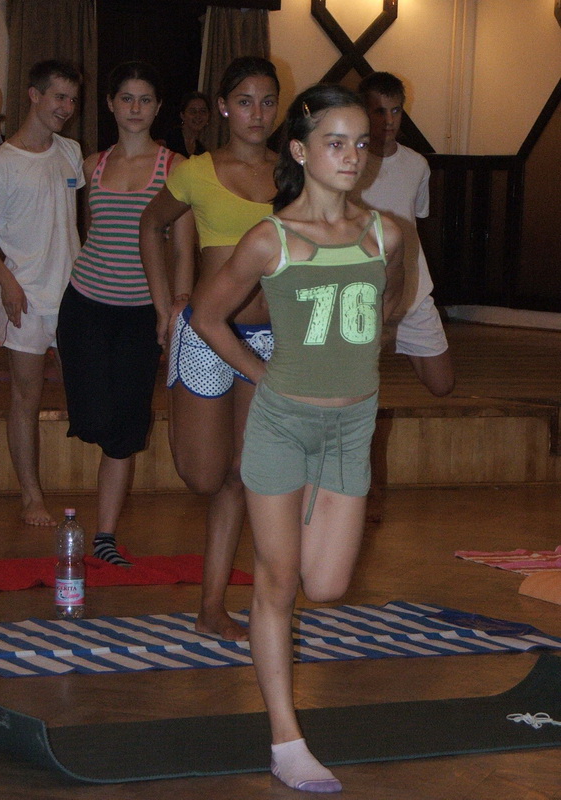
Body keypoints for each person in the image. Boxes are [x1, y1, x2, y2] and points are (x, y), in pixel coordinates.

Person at [190, 83, 403, 793]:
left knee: (328, 585)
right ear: (301, 152)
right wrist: (262, 375)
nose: (352, 156)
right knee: (277, 583)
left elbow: (390, 299)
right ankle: (286, 740)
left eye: (361, 143)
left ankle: (309, 504)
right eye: (335, 143)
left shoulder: (386, 234)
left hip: (352, 425)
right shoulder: (270, 239)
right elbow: (207, 315)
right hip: (282, 423)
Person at [140, 57, 280, 640]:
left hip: (268, 339)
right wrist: (164, 304)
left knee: (242, 478)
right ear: (223, 107)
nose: (257, 113)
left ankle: (211, 609)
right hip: (204, 333)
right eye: (244, 101)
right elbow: (151, 225)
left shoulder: (292, 174)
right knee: (204, 476)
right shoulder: (195, 171)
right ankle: (182, 414)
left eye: (267, 102)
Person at [57, 62, 194, 566]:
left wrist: (175, 308)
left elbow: (183, 247)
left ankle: (104, 536)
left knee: (123, 432)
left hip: (142, 313)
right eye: (127, 98)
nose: (135, 108)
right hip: (86, 306)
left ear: (158, 108)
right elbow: (87, 232)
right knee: (95, 419)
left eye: (145, 99)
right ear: (111, 104)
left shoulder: (176, 168)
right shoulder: (92, 164)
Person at [0, 60, 83, 525]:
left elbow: (78, 219)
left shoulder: (71, 151)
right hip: (25, 298)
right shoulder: (2, 163)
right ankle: (31, 497)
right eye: (59, 97)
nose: (67, 108)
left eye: (72, 99)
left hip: (73, 294)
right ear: (35, 95)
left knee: (84, 389)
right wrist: (7, 283)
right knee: (25, 398)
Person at [349, 71, 454, 397]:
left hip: (412, 288)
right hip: (360, 291)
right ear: (364, 112)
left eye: (395, 110)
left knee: (442, 384)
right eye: (379, 111)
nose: (389, 120)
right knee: (350, 386)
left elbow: (416, 218)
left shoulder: (417, 164)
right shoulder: (350, 163)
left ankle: (401, 341)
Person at [164, 90, 210, 158]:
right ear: (182, 115)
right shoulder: (168, 139)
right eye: (193, 111)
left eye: (203, 111)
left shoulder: (201, 151)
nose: (198, 115)